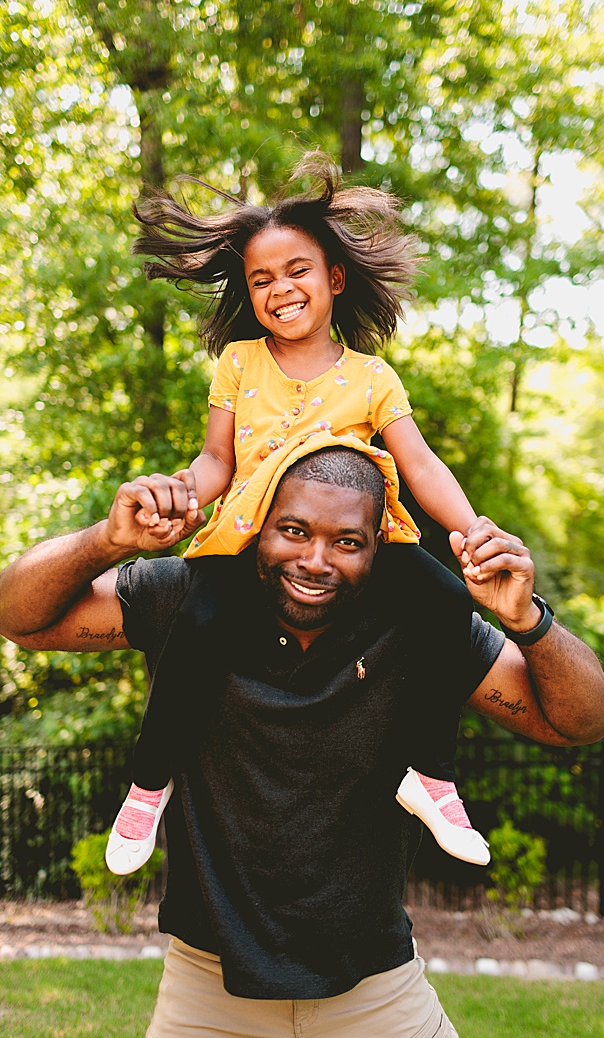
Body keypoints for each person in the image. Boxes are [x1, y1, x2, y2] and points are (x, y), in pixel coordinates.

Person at [0, 443, 604, 1038]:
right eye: (292, 531)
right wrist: (106, 540)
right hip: (209, 992)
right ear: (258, 524)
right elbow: (15, 617)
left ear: (380, 545)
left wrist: (529, 621)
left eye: (347, 542)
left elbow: (581, 724)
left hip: (375, 988)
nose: (315, 560)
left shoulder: (422, 623)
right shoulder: (183, 601)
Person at [108, 150, 487, 873]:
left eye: (297, 271)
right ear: (249, 293)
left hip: (355, 544)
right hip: (251, 536)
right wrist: (187, 496)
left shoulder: (373, 377)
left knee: (445, 602)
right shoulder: (240, 363)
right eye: (262, 279)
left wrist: (470, 532)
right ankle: (149, 782)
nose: (280, 289)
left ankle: (431, 774)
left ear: (333, 279)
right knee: (196, 626)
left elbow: (422, 464)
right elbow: (217, 459)